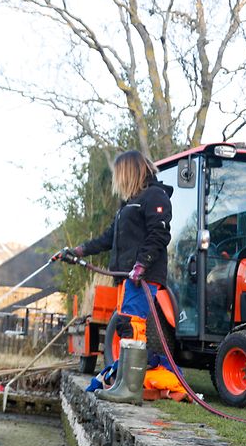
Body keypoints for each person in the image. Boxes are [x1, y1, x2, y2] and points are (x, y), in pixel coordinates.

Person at [58, 150, 173, 390]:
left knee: (132, 324)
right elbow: (107, 238)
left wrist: (142, 264)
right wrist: (78, 251)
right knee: (123, 324)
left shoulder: (155, 196)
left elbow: (159, 234)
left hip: (143, 276)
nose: (118, 180)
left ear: (131, 171)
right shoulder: (128, 204)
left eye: (120, 174)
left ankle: (130, 387)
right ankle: (125, 381)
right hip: (126, 276)